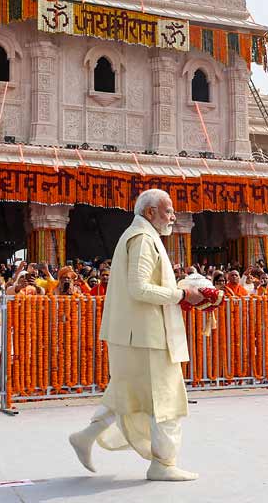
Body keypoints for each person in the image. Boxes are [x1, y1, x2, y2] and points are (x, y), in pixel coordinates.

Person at [69, 189, 204, 481]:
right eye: (168, 211)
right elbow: (139, 289)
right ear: (149, 212)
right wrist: (182, 294)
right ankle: (163, 464)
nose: (173, 216)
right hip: (146, 335)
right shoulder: (143, 238)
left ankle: (85, 436)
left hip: (136, 333)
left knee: (126, 392)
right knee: (165, 399)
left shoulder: (140, 236)